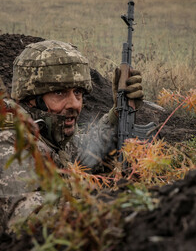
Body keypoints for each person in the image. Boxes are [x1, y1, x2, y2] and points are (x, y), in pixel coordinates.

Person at [0, 40, 143, 233]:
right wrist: (106, 207)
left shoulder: (47, 130)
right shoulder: (11, 140)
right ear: (31, 98)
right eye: (60, 92)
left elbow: (86, 154)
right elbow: (27, 220)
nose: (75, 104)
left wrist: (118, 114)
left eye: (78, 93)